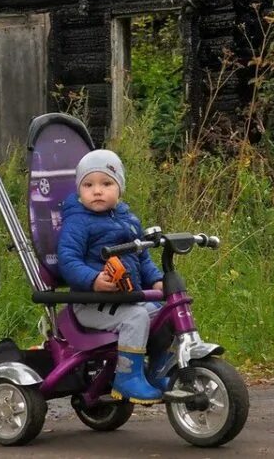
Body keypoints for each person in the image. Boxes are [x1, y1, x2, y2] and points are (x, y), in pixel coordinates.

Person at [55, 149, 167, 404]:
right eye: (88, 184)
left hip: (124, 300)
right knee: (137, 317)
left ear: (120, 188)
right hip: (90, 303)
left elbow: (142, 259)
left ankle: (158, 370)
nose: (97, 191)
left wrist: (157, 280)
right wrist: (93, 279)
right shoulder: (78, 222)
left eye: (106, 183)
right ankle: (127, 377)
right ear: (79, 190)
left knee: (163, 313)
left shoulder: (128, 220)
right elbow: (68, 260)